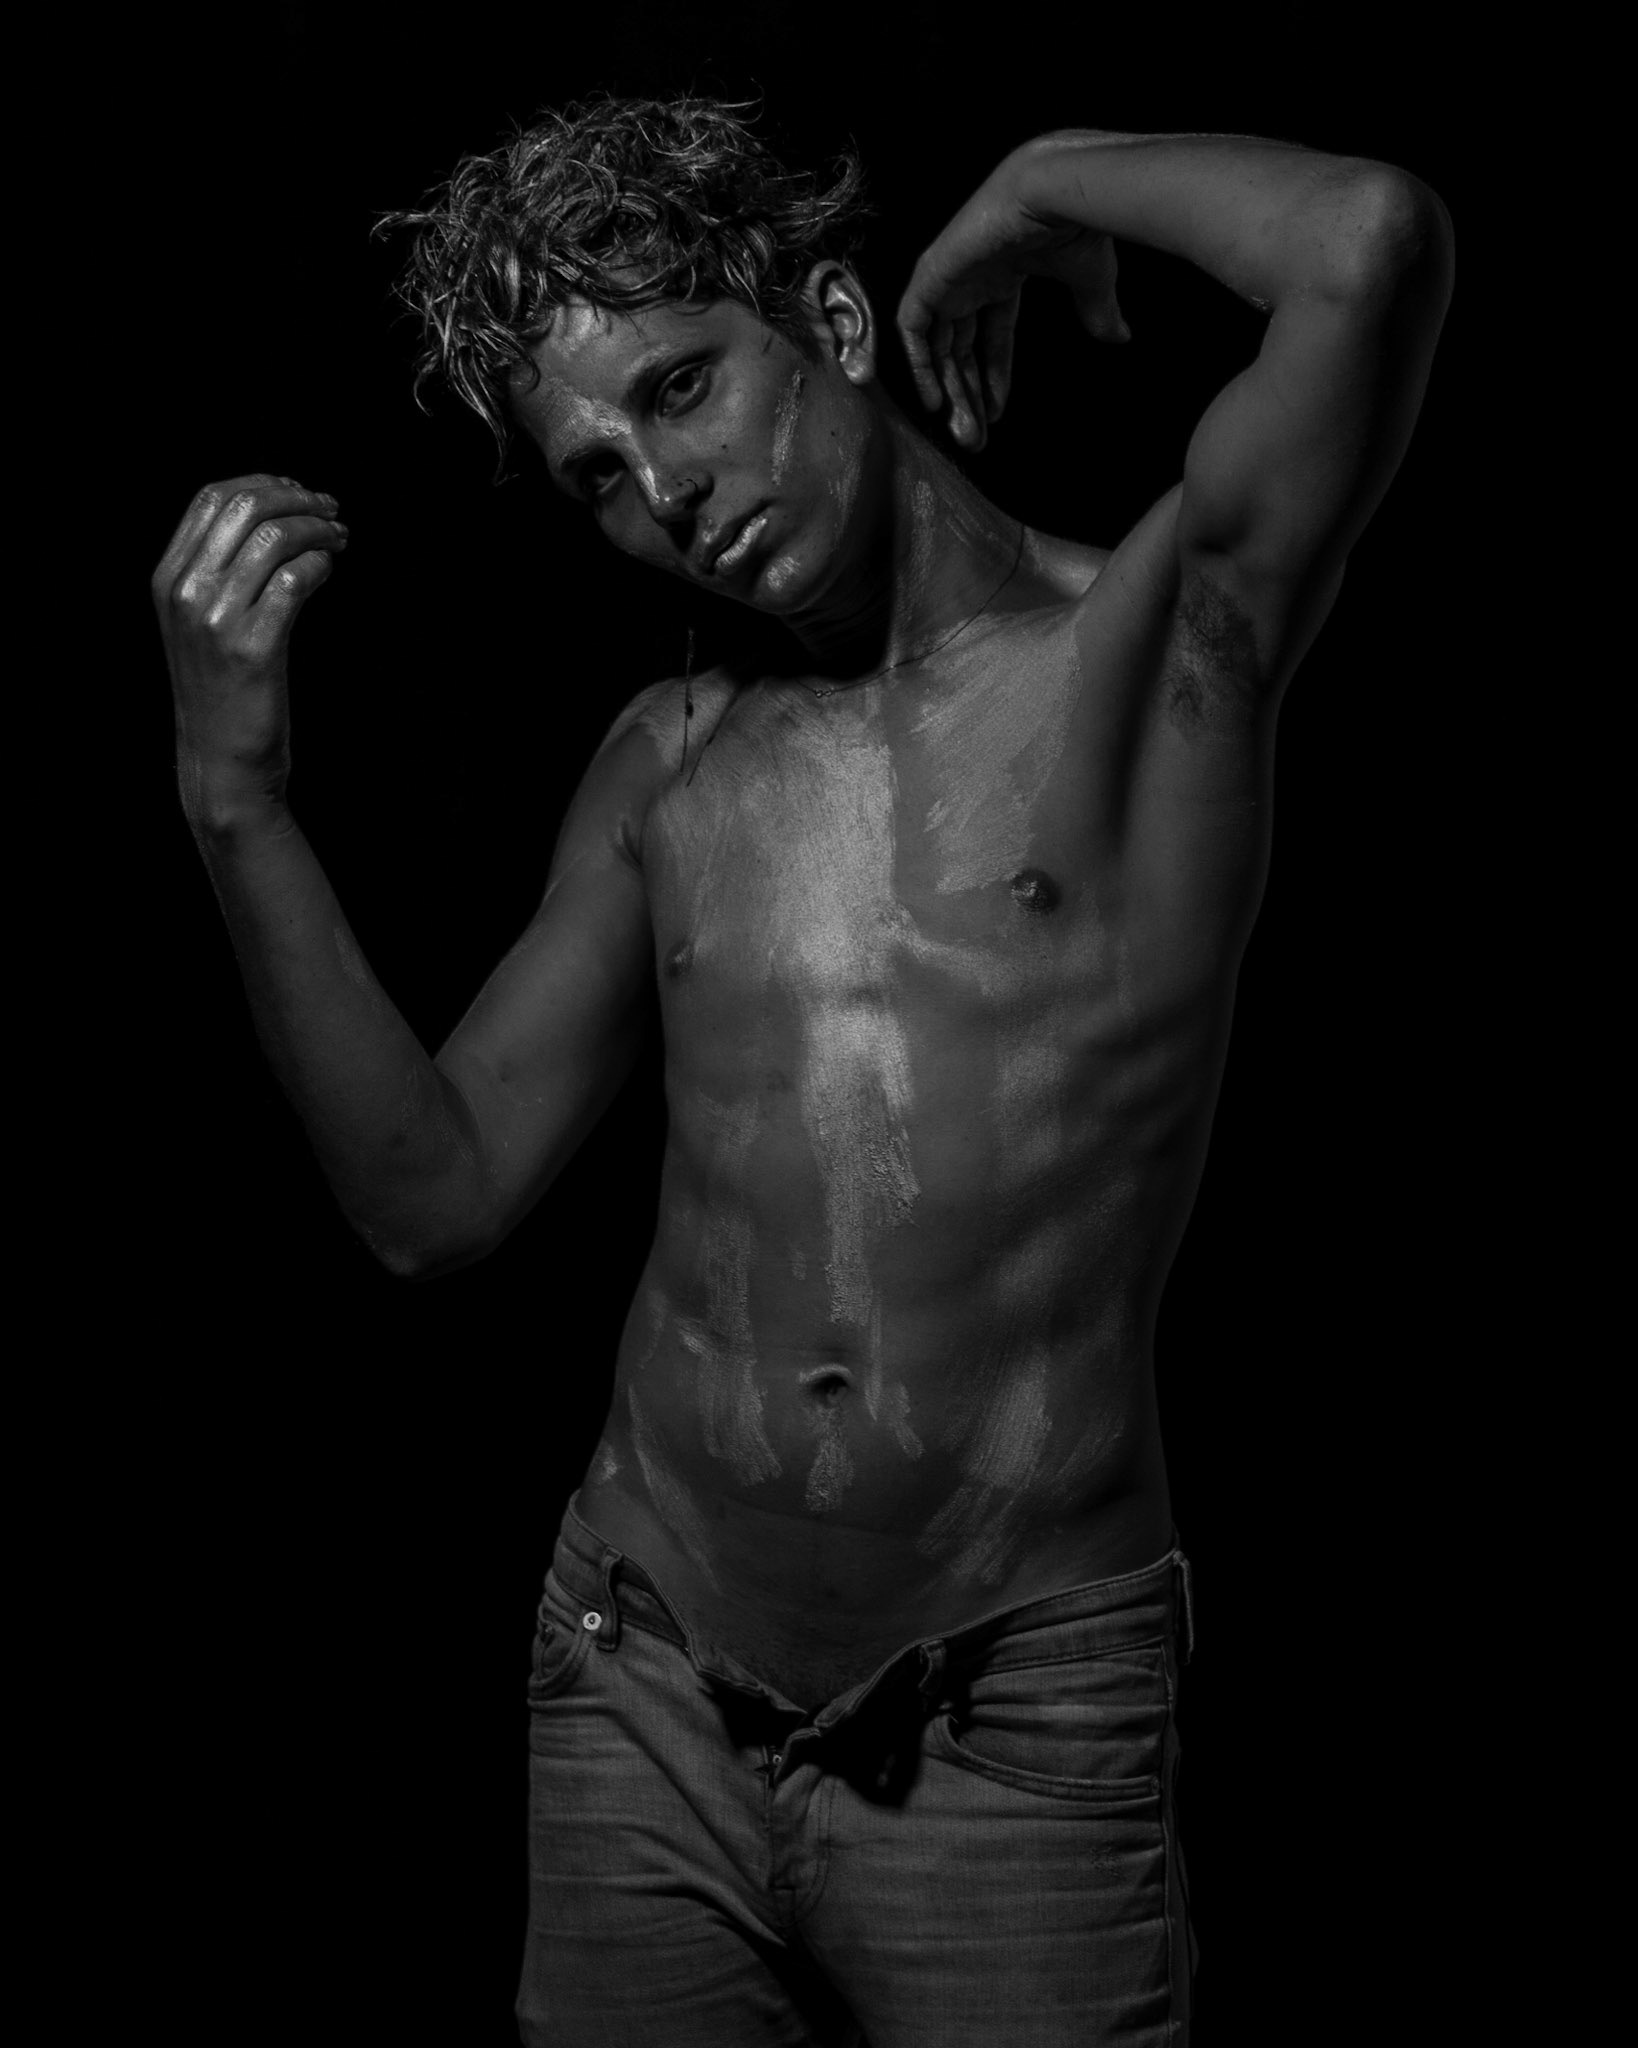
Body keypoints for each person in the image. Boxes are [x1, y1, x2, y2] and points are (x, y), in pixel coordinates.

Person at [152, 93, 1453, 2047]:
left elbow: (1367, 243)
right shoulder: (668, 761)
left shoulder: (1150, 654)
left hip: (1007, 1725)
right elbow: (432, 1198)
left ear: (834, 326)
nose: (661, 490)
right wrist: (237, 801)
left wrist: (1040, 178)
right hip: (642, 1683)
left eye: (681, 388)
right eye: (597, 472)